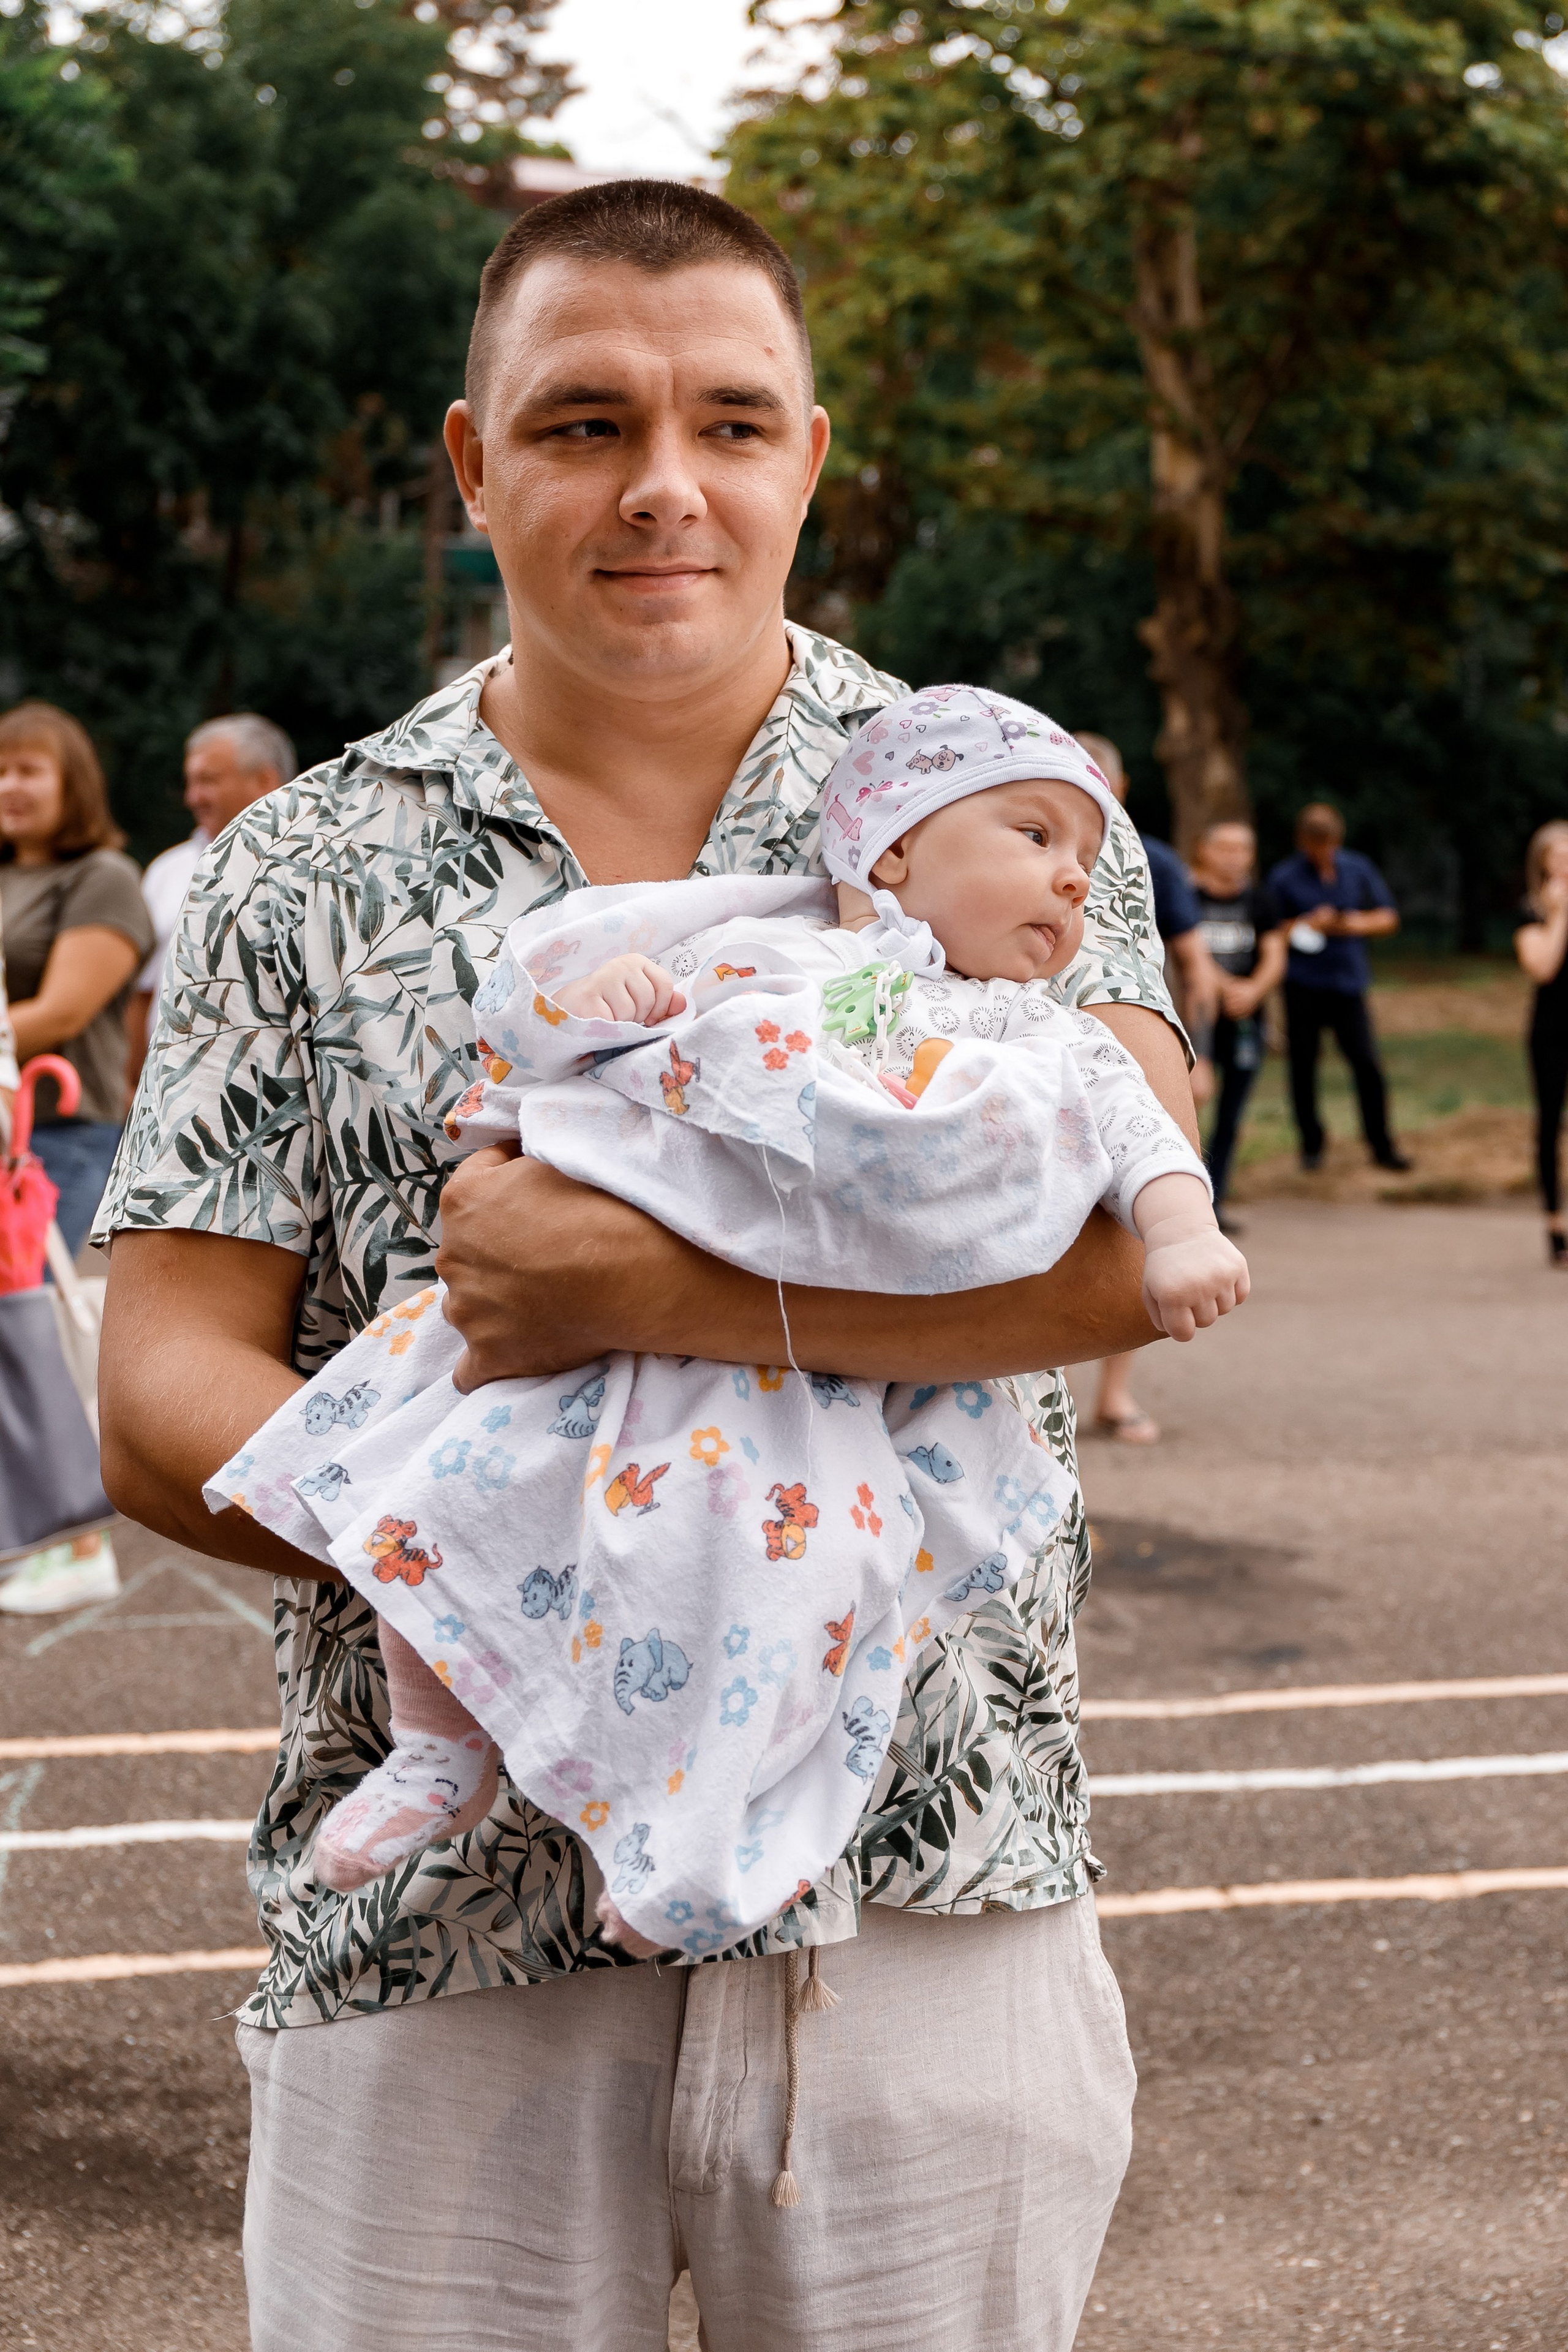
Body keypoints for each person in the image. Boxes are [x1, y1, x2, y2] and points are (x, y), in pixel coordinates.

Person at [97, 181, 1197, 2352]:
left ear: (809, 455)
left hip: (923, 1884)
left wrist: (648, 1303)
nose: (662, 488)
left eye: (729, 420)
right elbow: (158, 1382)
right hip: (445, 1917)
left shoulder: (1002, 806)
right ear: (471, 460)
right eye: (585, 422)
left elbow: (1122, 1250)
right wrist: (528, 1554)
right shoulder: (293, 870)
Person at [206, 689, 1243, 1969]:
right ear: (894, 850)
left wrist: (1184, 1231)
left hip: (800, 1388)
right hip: (597, 1367)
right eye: (1031, 835)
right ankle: (439, 1744)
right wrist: (609, 1005)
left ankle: (687, 1851)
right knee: (446, 1490)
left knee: (785, 1584)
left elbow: (1143, 1138)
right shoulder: (772, 950)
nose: (1071, 876)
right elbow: (560, 1038)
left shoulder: (1040, 1034)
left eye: (1083, 861)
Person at [0, 701, 153, 1615]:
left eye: (30, 769)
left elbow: (58, 1013)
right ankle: (31, 1529)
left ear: (73, 785)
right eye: (0, 768)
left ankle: (76, 1540)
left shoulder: (103, 878)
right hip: (9, 1127)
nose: (9, 786)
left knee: (43, 1332)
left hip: (58, 1128)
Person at [1074, 731, 1219, 1444]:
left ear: (1121, 789)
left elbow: (1191, 965)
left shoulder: (1151, 861)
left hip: (1127, 1058)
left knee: (1134, 1227)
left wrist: (1197, 1056)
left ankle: (1115, 1394)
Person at [126, 712, 296, 1093]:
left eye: (208, 781)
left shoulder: (314, 867)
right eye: (191, 782)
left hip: (278, 1093)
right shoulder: (167, 871)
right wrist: (133, 1094)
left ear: (265, 780)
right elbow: (141, 996)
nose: (192, 798)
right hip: (171, 1091)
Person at [1267, 801, 1410, 1173]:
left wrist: (1347, 924)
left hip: (1347, 982)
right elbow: (1270, 930)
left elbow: (1387, 917)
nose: (1323, 852)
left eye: (1329, 844)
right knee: (1304, 1067)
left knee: (1366, 1063)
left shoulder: (1356, 867)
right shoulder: (1284, 877)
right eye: (1316, 844)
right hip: (1303, 983)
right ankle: (1311, 1144)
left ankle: (1381, 1143)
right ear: (1303, 842)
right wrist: (1307, 923)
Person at [1189, 818, 1287, 1231]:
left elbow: (1275, 952)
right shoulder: (1187, 898)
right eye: (1225, 847)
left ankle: (1214, 1205)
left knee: (1230, 1119)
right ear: (1206, 851)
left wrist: (1254, 990)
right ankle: (1181, 1208)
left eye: (1243, 849)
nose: (1234, 857)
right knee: (1186, 1114)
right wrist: (1225, 984)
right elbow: (1186, 952)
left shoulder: (1262, 902)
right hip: (1197, 1023)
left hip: (1247, 1025)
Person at [1513, 820, 1568, 1265]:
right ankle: (1555, 1225)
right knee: (1550, 1124)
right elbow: (1544, 967)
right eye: (1559, 856)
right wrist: (1560, 915)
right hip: (1551, 1031)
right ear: (1543, 864)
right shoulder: (1531, 912)